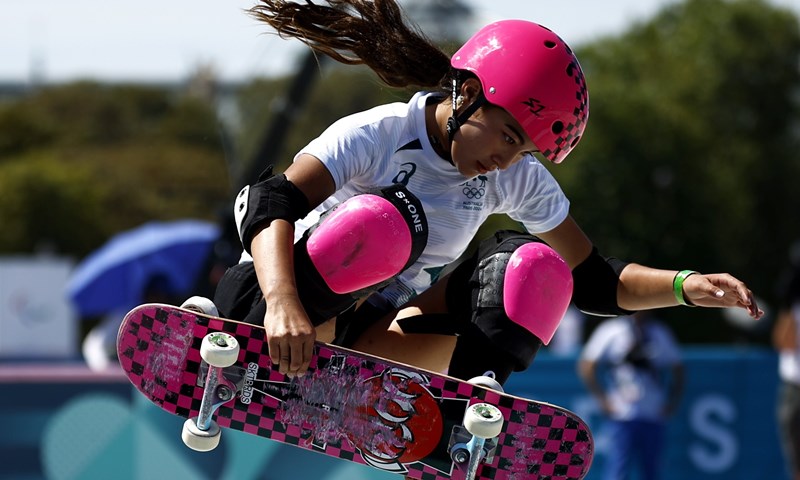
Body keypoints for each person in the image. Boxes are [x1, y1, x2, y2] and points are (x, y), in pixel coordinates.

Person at [203, 0, 763, 386]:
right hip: (278, 308)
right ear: (470, 94)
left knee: (533, 266)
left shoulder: (510, 173)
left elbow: (594, 279)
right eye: (509, 137)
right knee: (384, 224)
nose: (507, 160)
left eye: (525, 152)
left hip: (367, 339)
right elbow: (268, 200)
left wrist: (688, 286)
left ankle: (462, 414)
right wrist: (281, 304)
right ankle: (243, 340)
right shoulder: (381, 133)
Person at [578, 311, 684, 480]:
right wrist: (602, 399)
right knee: (619, 469)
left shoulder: (659, 332)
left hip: (653, 412)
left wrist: (673, 401)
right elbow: (586, 365)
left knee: (652, 469)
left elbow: (678, 368)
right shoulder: (611, 330)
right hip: (622, 413)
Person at [774, 241, 800, 480]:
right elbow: (784, 341)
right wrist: (789, 304)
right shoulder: (793, 307)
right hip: (794, 387)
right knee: (795, 457)